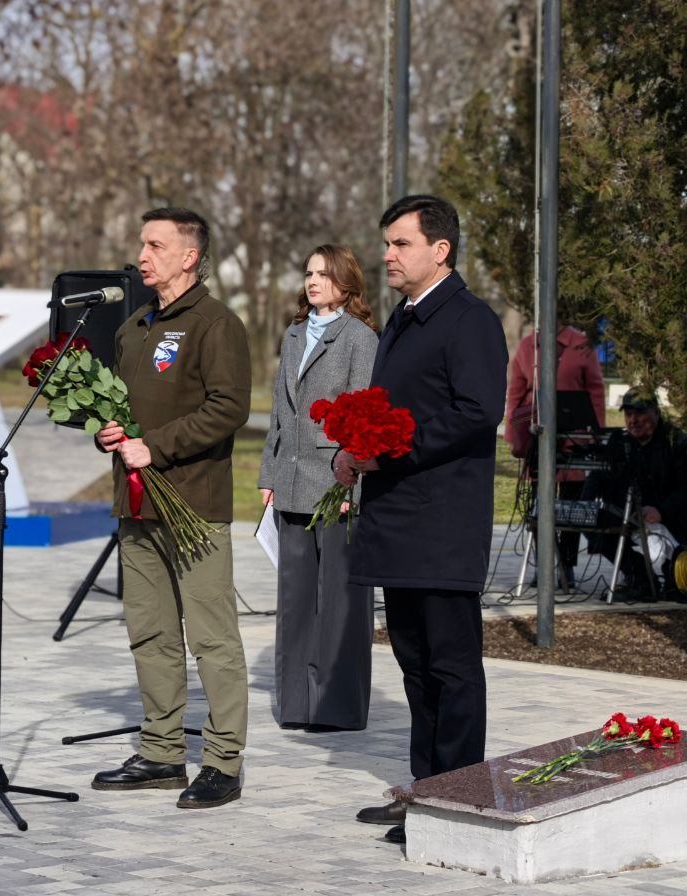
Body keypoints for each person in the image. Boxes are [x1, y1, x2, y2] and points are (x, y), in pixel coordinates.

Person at [335, 195, 507, 844]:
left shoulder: (469, 321)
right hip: (395, 519)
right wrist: (356, 450)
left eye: (401, 243)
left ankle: (460, 803)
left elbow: (473, 412)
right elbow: (392, 407)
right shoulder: (405, 322)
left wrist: (386, 448)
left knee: (451, 668)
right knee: (413, 664)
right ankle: (426, 791)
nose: (387, 255)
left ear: (441, 249)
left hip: (441, 522)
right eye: (387, 243)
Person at [90, 207, 252, 808]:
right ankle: (161, 753)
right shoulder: (132, 327)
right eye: (141, 244)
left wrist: (154, 446)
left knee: (212, 638)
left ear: (189, 256)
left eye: (156, 245)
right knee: (150, 633)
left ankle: (222, 762)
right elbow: (126, 410)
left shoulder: (216, 324)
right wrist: (108, 432)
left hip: (194, 506)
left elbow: (228, 407)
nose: (142, 255)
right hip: (137, 507)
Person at [258, 245, 379, 731]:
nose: (312, 282)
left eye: (323, 274)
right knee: (295, 599)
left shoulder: (359, 338)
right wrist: (268, 476)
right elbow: (277, 412)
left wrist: (355, 482)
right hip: (289, 481)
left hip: (337, 482)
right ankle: (295, 705)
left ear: (346, 283)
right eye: (308, 273)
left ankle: (336, 706)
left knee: (339, 602)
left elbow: (365, 414)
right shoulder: (292, 334)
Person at [504, 322, 606, 583]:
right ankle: (545, 565)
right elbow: (516, 390)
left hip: (574, 439)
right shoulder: (528, 346)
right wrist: (513, 432)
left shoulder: (581, 344)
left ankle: (567, 566)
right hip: (539, 438)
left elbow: (595, 389)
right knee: (538, 506)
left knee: (571, 507)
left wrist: (596, 432)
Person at [582, 388, 687, 597]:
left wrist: (661, 511)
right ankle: (639, 578)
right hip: (639, 518)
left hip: (677, 521)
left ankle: (667, 575)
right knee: (594, 523)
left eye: (640, 414)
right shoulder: (623, 444)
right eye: (629, 415)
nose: (633, 421)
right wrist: (586, 501)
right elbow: (605, 477)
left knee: (678, 581)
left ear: (656, 413)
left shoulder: (679, 443)